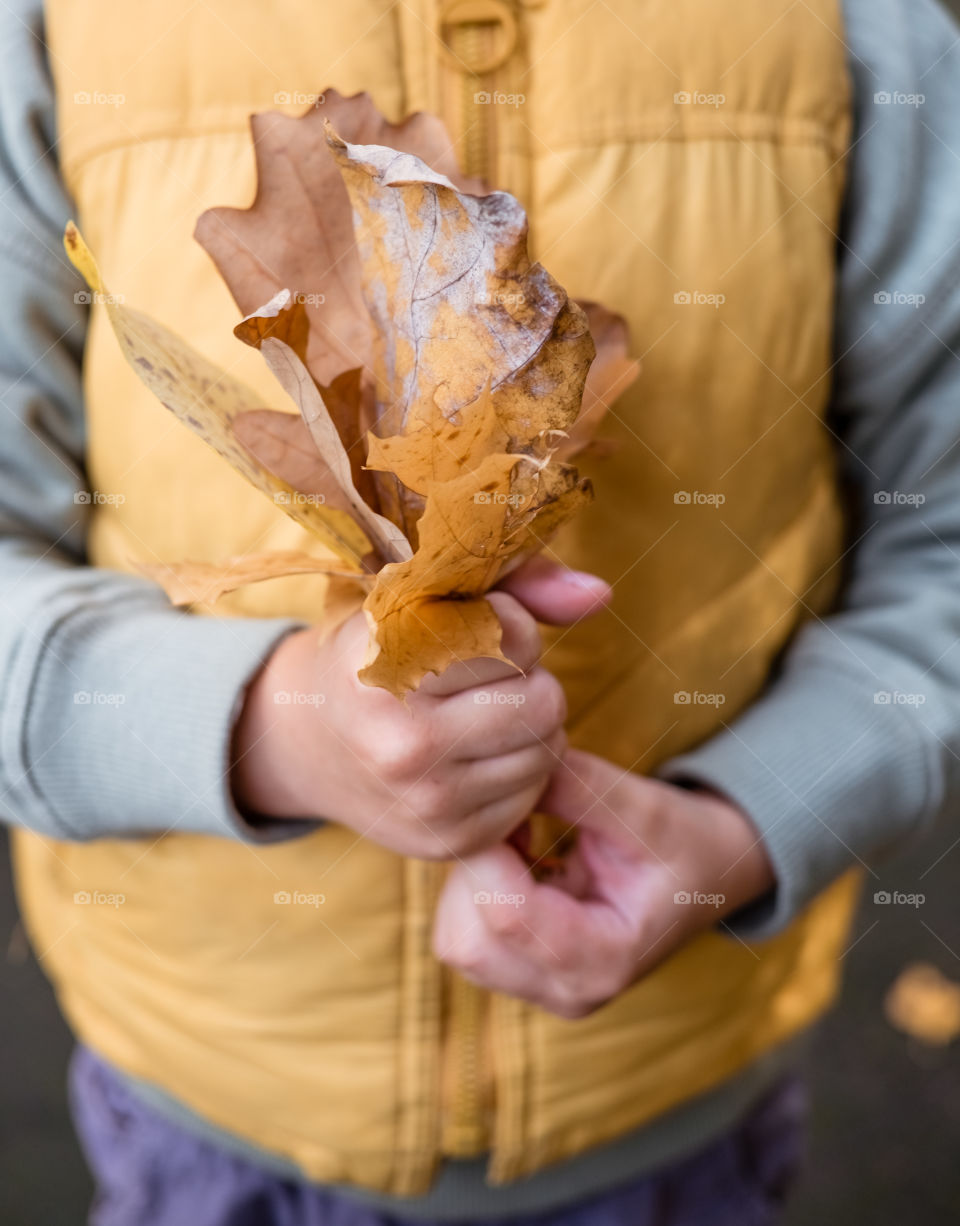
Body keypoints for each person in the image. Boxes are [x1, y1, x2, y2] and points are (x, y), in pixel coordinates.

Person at [3, 0, 960, 1222]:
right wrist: (274, 728)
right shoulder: (55, 33)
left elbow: (940, 537)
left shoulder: (859, 32)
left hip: (671, 1104)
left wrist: (750, 820)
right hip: (211, 1101)